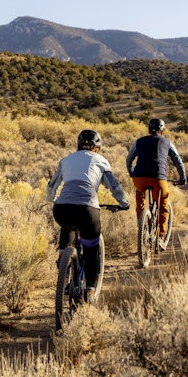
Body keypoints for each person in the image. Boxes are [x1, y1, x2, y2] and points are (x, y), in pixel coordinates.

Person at [46, 129, 130, 302]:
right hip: (87, 209)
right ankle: (91, 291)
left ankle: (63, 258)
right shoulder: (101, 161)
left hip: (61, 209)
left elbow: (52, 186)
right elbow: (114, 187)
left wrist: (52, 199)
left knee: (68, 225)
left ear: (78, 145)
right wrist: (124, 203)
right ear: (96, 148)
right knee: (91, 250)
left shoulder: (66, 160)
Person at [126, 118, 187, 241]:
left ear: (149, 130)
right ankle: (160, 237)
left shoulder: (139, 141)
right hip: (158, 178)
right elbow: (178, 160)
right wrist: (183, 177)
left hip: (139, 178)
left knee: (139, 195)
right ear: (162, 131)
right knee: (162, 203)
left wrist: (132, 172)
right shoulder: (167, 142)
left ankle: (141, 226)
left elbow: (129, 159)